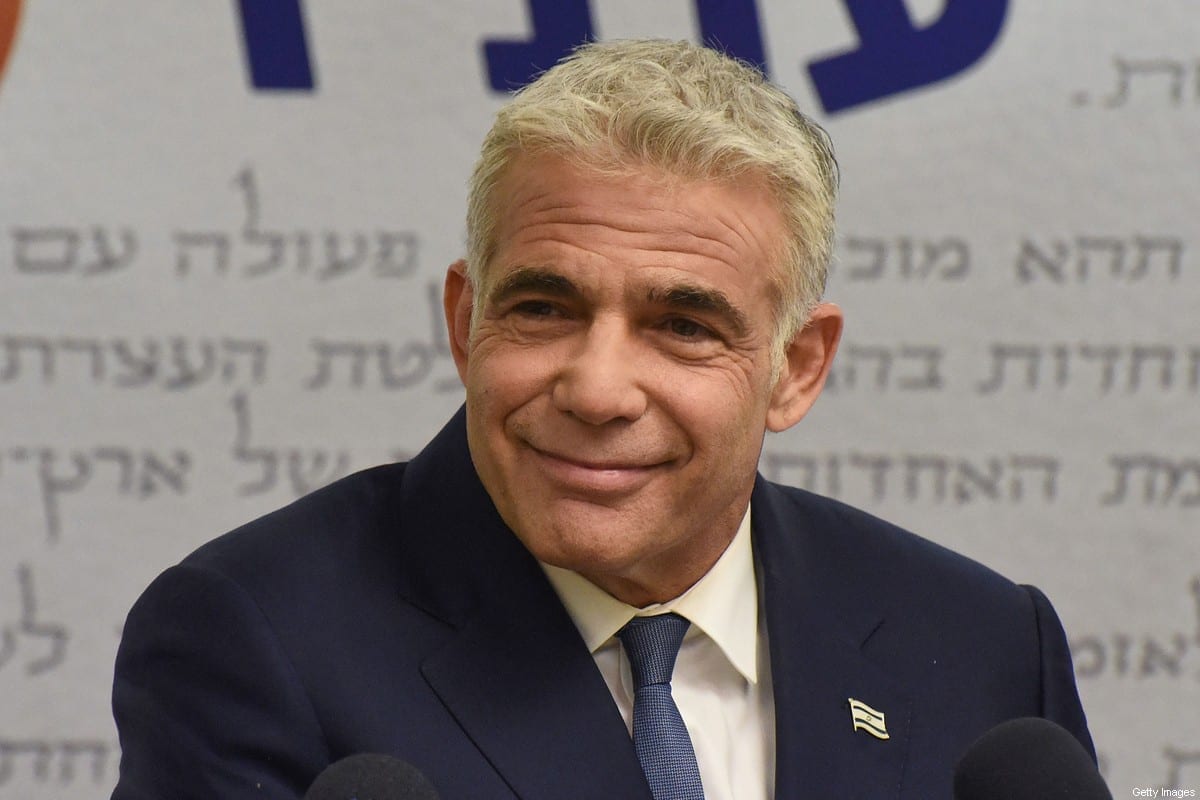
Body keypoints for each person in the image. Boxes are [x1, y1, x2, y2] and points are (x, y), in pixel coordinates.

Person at [111, 39, 1094, 799]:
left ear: (795, 368)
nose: (596, 387)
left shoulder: (981, 641)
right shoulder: (251, 638)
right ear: (464, 322)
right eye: (543, 307)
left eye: (682, 324)